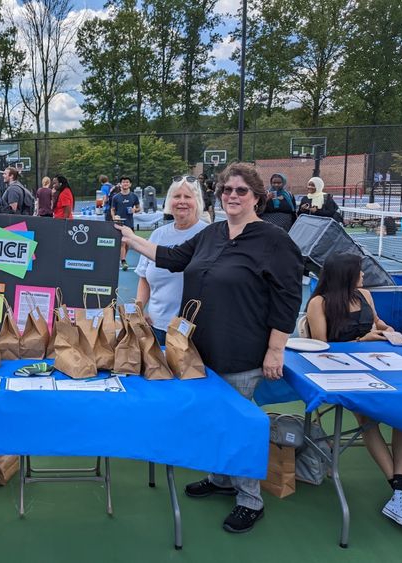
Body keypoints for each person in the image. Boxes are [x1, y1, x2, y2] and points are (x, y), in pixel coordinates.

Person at [117, 163, 303, 533]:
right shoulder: (213, 233)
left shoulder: (273, 240)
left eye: (241, 191)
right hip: (200, 350)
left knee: (235, 423)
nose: (232, 196)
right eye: (226, 190)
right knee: (213, 418)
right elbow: (172, 258)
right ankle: (220, 478)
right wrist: (129, 237)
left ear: (257, 197)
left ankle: (250, 499)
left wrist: (276, 350)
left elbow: (288, 297)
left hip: (242, 350)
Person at [306, 253, 402, 527]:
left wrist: (389, 331)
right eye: (359, 271)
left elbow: (378, 322)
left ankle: (401, 486)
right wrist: (362, 339)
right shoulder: (319, 303)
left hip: (378, 366)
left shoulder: (364, 296)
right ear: (345, 274)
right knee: (367, 421)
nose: (363, 275)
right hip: (344, 372)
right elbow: (321, 347)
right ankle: (398, 487)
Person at [134, 177, 208, 345]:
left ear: (197, 201)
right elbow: (144, 277)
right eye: (177, 196)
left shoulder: (208, 234)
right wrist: (138, 311)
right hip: (156, 327)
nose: (182, 201)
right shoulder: (157, 235)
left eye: (188, 197)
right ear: (169, 201)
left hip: (192, 331)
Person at [110, 176, 140, 270]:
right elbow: (112, 210)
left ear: (130, 184)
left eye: (127, 182)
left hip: (130, 223)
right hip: (120, 224)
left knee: (127, 244)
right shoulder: (116, 197)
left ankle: (122, 259)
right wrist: (114, 217)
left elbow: (139, 208)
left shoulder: (133, 196)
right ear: (120, 184)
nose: (125, 184)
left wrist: (134, 210)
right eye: (123, 182)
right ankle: (123, 261)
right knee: (122, 242)